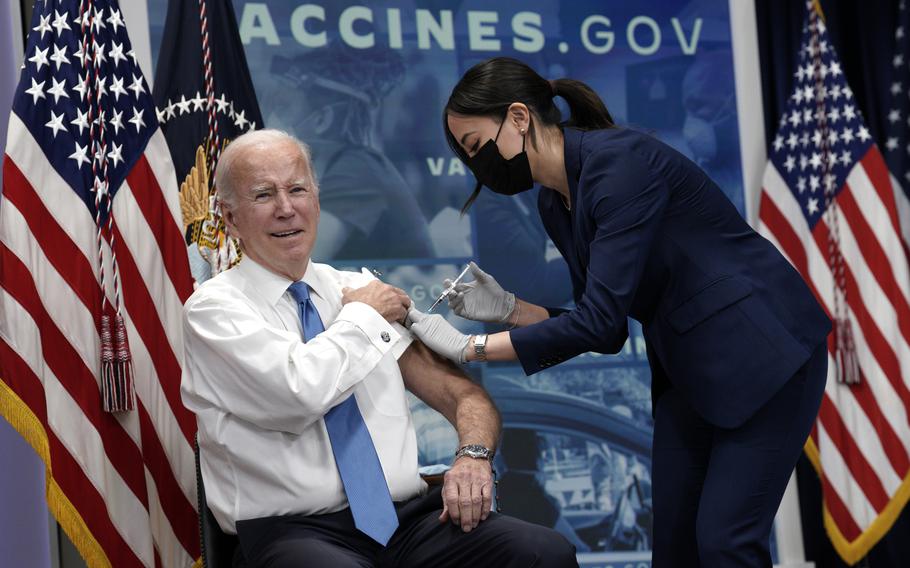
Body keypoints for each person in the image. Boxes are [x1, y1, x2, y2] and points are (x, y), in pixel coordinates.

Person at [405, 57, 831, 567]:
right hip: (690, 371)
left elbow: (601, 322)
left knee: (725, 544)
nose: (479, 168)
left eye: (477, 147)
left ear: (518, 117)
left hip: (765, 353)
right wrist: (510, 309)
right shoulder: (554, 201)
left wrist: (469, 347)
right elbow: (602, 327)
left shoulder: (619, 164)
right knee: (675, 549)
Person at [180, 129, 577, 568]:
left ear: (316, 199)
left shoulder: (357, 288)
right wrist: (364, 317)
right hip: (293, 532)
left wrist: (473, 458)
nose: (286, 208)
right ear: (231, 219)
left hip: (405, 521)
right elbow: (299, 393)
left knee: (543, 554)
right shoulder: (214, 309)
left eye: (298, 189)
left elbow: (461, 395)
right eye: (263, 195)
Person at [265, 45, 433, 261]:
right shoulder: (329, 170)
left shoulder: (358, 170)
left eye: (284, 107)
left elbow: (299, 261)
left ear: (322, 120)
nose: (273, 119)